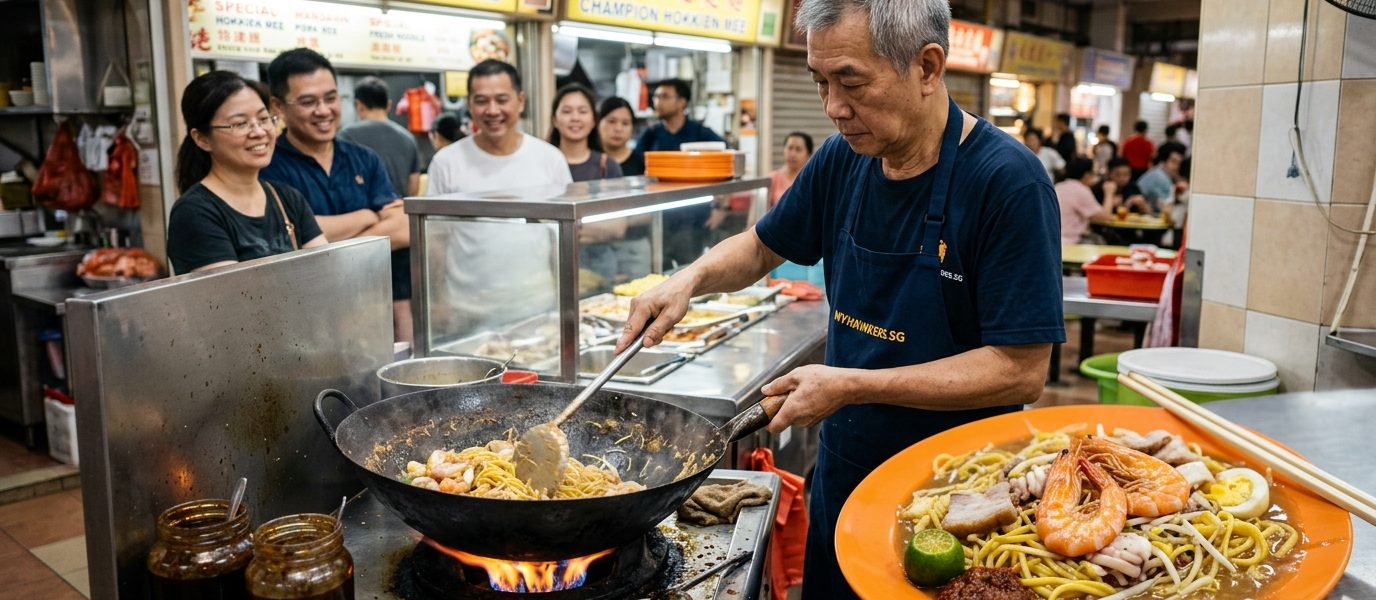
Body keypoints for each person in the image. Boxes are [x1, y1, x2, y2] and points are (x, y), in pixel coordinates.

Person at [614, 1, 1063, 598]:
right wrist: (686, 279)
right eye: (820, 82)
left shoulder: (1007, 183)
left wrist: (852, 384)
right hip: (846, 468)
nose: (833, 108)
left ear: (928, 68)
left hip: (956, 495)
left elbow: (1020, 371)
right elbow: (761, 246)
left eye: (850, 81)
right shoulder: (842, 160)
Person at [259, 48, 413, 344]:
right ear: (277, 106)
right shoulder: (269, 166)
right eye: (308, 101)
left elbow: (403, 228)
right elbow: (291, 244)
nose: (323, 110)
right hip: (305, 322)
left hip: (371, 312)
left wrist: (322, 239)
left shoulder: (363, 158)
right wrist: (369, 216)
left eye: (331, 98)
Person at [426, 59, 573, 333]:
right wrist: (437, 300)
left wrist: (567, 299)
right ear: (470, 104)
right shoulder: (446, 162)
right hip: (466, 314)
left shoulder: (549, 159)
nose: (492, 110)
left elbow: (562, 239)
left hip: (537, 308)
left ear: (520, 100)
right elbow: (435, 241)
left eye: (502, 99)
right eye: (482, 101)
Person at [168, 71, 326, 274]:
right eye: (240, 124)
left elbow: (325, 272)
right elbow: (232, 298)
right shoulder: (195, 213)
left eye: (264, 119)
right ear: (202, 139)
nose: (259, 132)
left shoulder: (288, 199)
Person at [638, 78, 728, 267]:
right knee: (658, 273)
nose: (658, 102)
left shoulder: (700, 133)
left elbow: (727, 163)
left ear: (682, 102)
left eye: (664, 96)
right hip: (659, 220)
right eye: (656, 97)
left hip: (694, 220)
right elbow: (637, 171)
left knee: (691, 270)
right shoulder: (651, 135)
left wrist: (721, 208)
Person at [338, 76, 422, 198]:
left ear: (359, 105)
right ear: (388, 105)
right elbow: (414, 186)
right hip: (399, 213)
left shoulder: (346, 135)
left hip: (361, 215)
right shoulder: (408, 138)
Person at [549, 84, 624, 182]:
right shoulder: (544, 164)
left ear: (593, 120)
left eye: (582, 111)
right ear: (554, 120)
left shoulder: (608, 167)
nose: (575, 118)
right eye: (567, 111)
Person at [1057, 157, 1118, 245]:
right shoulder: (1080, 190)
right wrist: (1109, 193)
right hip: (1071, 242)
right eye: (1094, 173)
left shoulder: (1059, 186)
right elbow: (1105, 217)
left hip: (1053, 239)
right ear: (1086, 175)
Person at [597, 96, 644, 176]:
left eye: (625, 123)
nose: (618, 129)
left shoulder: (641, 163)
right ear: (597, 123)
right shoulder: (586, 160)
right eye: (612, 121)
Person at [1134, 144, 1185, 216]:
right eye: (1173, 161)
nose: (1177, 167)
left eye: (1179, 163)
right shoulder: (1160, 177)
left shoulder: (1156, 172)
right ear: (1163, 160)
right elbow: (1168, 210)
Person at [769, 131, 814, 208]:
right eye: (790, 148)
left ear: (808, 154)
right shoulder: (773, 178)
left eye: (798, 149)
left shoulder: (812, 180)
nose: (792, 154)